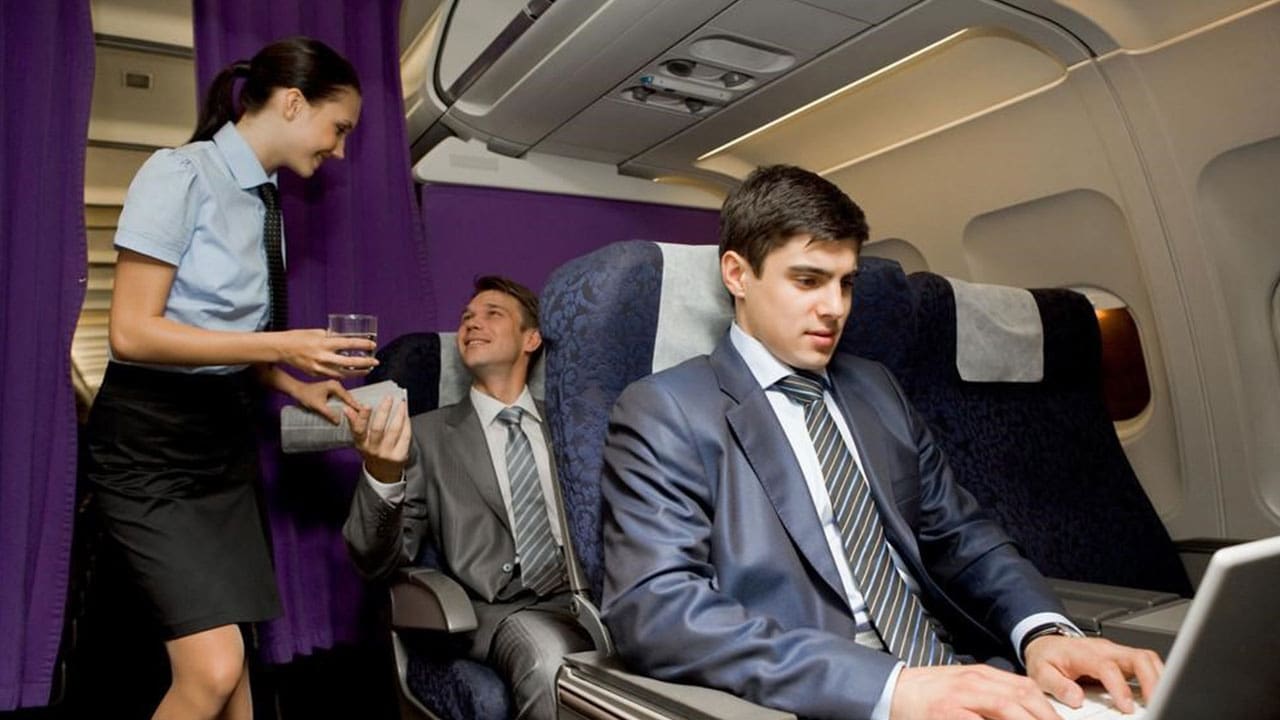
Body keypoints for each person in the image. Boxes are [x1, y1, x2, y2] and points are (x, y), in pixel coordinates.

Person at [599, 165, 1164, 720]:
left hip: (957, 672)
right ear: (737, 274)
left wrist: (1042, 632)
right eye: (808, 280)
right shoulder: (667, 409)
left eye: (846, 282)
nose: (835, 308)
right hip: (828, 695)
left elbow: (962, 535)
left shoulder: (874, 387)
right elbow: (657, 610)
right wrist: (891, 689)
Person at [83, 37, 372, 720]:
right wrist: (279, 342)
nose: (339, 150)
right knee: (212, 672)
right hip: (148, 445)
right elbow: (132, 331)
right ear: (294, 102)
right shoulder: (178, 173)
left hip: (222, 442)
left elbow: (217, 335)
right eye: (339, 129)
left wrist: (293, 383)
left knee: (237, 670)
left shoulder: (264, 201)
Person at [344, 276, 594, 720]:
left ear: (531, 339)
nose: (472, 324)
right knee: (550, 660)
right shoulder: (425, 434)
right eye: (466, 318)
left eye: (492, 314)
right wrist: (382, 474)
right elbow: (377, 560)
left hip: (590, 595)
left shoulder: (572, 428)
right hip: (499, 610)